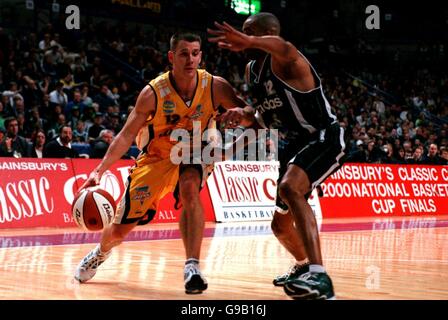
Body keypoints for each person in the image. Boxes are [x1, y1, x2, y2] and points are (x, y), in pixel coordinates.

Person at [74, 32, 248, 294]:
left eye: (195, 53)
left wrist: (241, 124)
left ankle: (192, 267)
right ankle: (101, 252)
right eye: (183, 53)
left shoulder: (216, 86)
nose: (190, 59)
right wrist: (99, 171)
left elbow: (251, 117)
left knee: (190, 188)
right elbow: (125, 136)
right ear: (171, 57)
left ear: (201, 55)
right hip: (155, 160)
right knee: (119, 231)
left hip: (195, 152)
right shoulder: (153, 93)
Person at [208, 12, 346, 300]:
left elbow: (282, 46)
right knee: (280, 227)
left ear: (267, 32)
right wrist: (240, 119)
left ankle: (321, 279)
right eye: (243, 33)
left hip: (323, 136)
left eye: (248, 31)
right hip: (295, 145)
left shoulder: (287, 57)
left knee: (289, 187)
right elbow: (262, 119)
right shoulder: (251, 71)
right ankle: (303, 265)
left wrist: (249, 40)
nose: (241, 36)